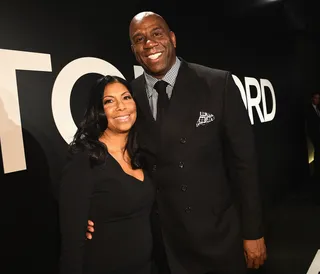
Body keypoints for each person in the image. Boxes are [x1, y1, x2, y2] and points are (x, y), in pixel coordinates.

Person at [86, 11, 267, 274]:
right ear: (134, 49)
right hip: (163, 242)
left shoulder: (217, 84)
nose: (149, 43)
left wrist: (253, 231)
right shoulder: (130, 96)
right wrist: (90, 212)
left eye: (156, 34)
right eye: (140, 39)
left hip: (217, 235)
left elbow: (245, 165)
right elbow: (111, 155)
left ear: (172, 38)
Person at [58, 75, 158, 274]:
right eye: (109, 101)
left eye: (126, 98)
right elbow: (72, 240)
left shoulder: (142, 153)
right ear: (98, 110)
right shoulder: (85, 158)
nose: (121, 107)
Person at [305, 91, 320, 181]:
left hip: (317, 134)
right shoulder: (309, 109)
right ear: (312, 98)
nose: (317, 100)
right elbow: (311, 123)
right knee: (317, 151)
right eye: (316, 98)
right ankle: (316, 172)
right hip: (314, 134)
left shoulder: (317, 109)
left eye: (318, 98)